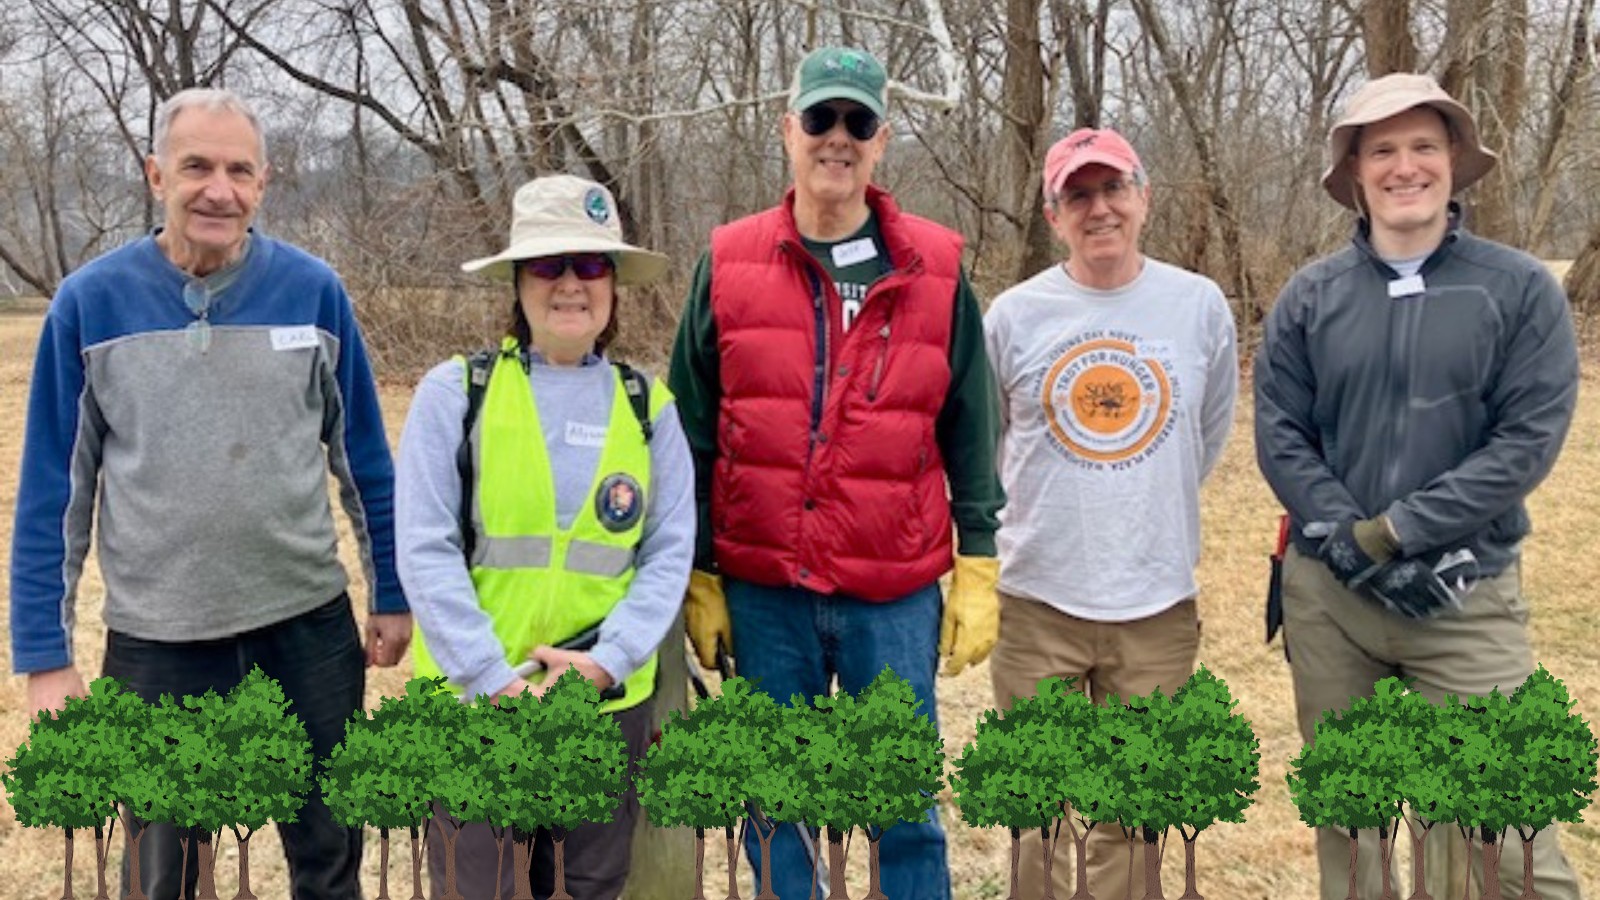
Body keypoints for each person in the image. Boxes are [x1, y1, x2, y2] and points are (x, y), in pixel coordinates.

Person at [8, 87, 410, 899]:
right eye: (196, 166)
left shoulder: (316, 293)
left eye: (238, 170)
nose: (217, 189)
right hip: (160, 643)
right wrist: (45, 656)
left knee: (331, 859)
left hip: (308, 632)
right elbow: (55, 490)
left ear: (263, 184)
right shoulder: (90, 304)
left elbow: (363, 457)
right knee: (166, 875)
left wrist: (392, 590)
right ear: (157, 174)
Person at [667, 45, 1004, 899]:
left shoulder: (934, 266)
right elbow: (690, 429)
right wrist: (699, 569)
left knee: (901, 809)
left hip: (890, 591)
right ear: (790, 130)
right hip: (763, 585)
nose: (837, 138)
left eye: (857, 122)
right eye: (821, 118)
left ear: (881, 140)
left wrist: (979, 560)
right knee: (774, 806)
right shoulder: (729, 259)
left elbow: (969, 423)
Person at [1255, 72, 1582, 898]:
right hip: (1331, 597)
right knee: (1355, 827)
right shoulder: (1310, 297)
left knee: (1497, 835)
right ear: (1356, 174)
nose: (1406, 167)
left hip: (1464, 594)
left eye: (1424, 147)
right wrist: (1343, 532)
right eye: (1383, 151)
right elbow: (1282, 432)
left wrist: (1398, 530)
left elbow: (1527, 440)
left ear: (1454, 162)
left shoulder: (1518, 290)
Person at [396, 174, 694, 899]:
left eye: (590, 265)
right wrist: (493, 681)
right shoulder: (454, 394)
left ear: (614, 284)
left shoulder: (647, 406)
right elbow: (425, 549)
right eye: (548, 265)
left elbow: (667, 554)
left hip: (601, 708)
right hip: (477, 708)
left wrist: (604, 664)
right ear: (517, 282)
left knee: (585, 888)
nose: (570, 284)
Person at [984, 126, 1237, 899]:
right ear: (1053, 215)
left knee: (1135, 817)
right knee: (1037, 811)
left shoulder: (1196, 306)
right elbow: (987, 444)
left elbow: (1208, 432)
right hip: (1037, 600)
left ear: (1144, 199)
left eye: (1114, 188)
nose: (1099, 209)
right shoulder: (1013, 316)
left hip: (1155, 603)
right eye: (1078, 195)